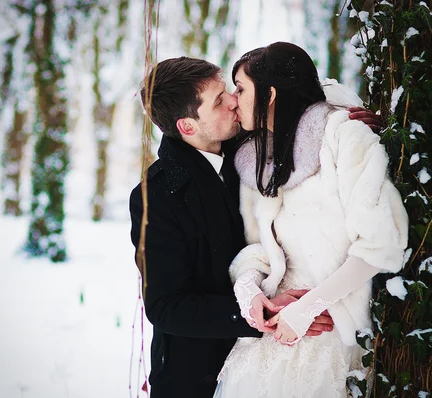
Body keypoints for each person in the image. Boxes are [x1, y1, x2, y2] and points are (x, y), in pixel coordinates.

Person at [130, 56, 380, 398]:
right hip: (196, 373)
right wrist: (255, 309)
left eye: (229, 90)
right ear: (187, 126)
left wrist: (345, 117)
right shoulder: (157, 195)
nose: (234, 101)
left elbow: (296, 95)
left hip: (284, 355)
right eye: (219, 101)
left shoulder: (254, 141)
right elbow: (166, 305)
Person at [213, 42, 409, 398]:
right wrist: (249, 292)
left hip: (330, 333)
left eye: (240, 88)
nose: (233, 99)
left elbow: (381, 245)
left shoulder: (344, 135)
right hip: (272, 339)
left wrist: (307, 309)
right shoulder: (257, 158)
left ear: (270, 94)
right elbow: (260, 247)